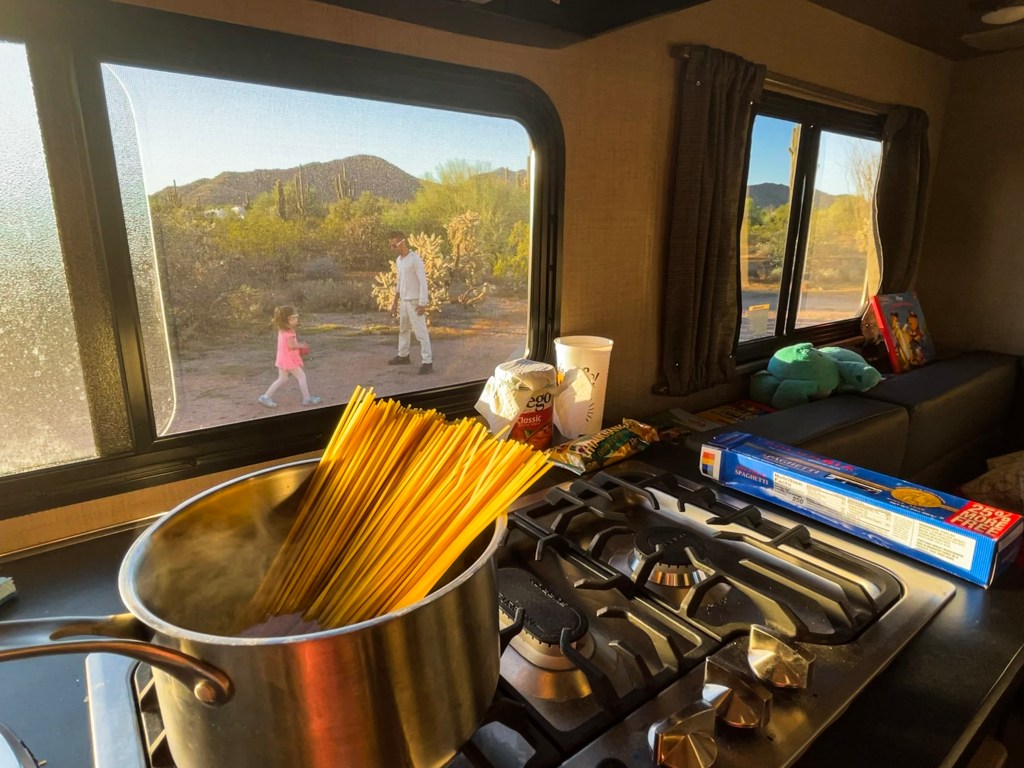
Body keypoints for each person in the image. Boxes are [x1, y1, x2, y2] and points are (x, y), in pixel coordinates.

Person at [387, 231, 433, 374]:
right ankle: (403, 355)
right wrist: (395, 301)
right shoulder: (399, 261)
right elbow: (400, 281)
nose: (393, 248)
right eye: (391, 245)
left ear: (402, 242)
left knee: (421, 332)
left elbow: (423, 282)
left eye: (394, 244)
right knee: (403, 329)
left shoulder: (415, 259)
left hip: (414, 301)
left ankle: (427, 362)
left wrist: (423, 302)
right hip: (404, 301)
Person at [258, 306, 321, 407]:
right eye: (295, 317)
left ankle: (265, 397)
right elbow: (291, 346)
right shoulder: (289, 332)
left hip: (283, 359)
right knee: (301, 376)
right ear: (289, 319)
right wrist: (302, 345)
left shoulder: (283, 330)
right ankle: (307, 399)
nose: (297, 319)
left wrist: (299, 345)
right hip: (289, 360)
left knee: (282, 378)